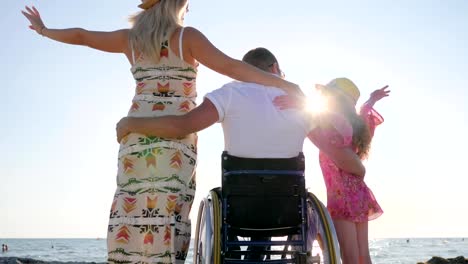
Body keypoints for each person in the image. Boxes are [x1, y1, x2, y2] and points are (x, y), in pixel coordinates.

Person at [21, 1, 303, 263]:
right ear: (176, 6)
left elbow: (82, 35)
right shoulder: (186, 37)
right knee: (168, 214)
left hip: (135, 137)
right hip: (175, 139)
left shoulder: (130, 40)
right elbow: (232, 67)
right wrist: (285, 85)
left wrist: (45, 30)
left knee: (131, 212)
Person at [116, 47, 367, 261]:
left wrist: (131, 124)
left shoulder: (231, 93)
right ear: (274, 68)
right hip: (286, 208)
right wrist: (358, 166)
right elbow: (340, 145)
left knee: (231, 194)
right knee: (271, 187)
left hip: (240, 207)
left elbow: (182, 126)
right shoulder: (298, 106)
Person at [274, 78, 389, 264]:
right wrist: (371, 100)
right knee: (362, 254)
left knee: (350, 255)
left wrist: (300, 104)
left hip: (341, 196)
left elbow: (319, 122)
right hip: (360, 193)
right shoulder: (359, 124)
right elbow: (365, 111)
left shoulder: (335, 123)